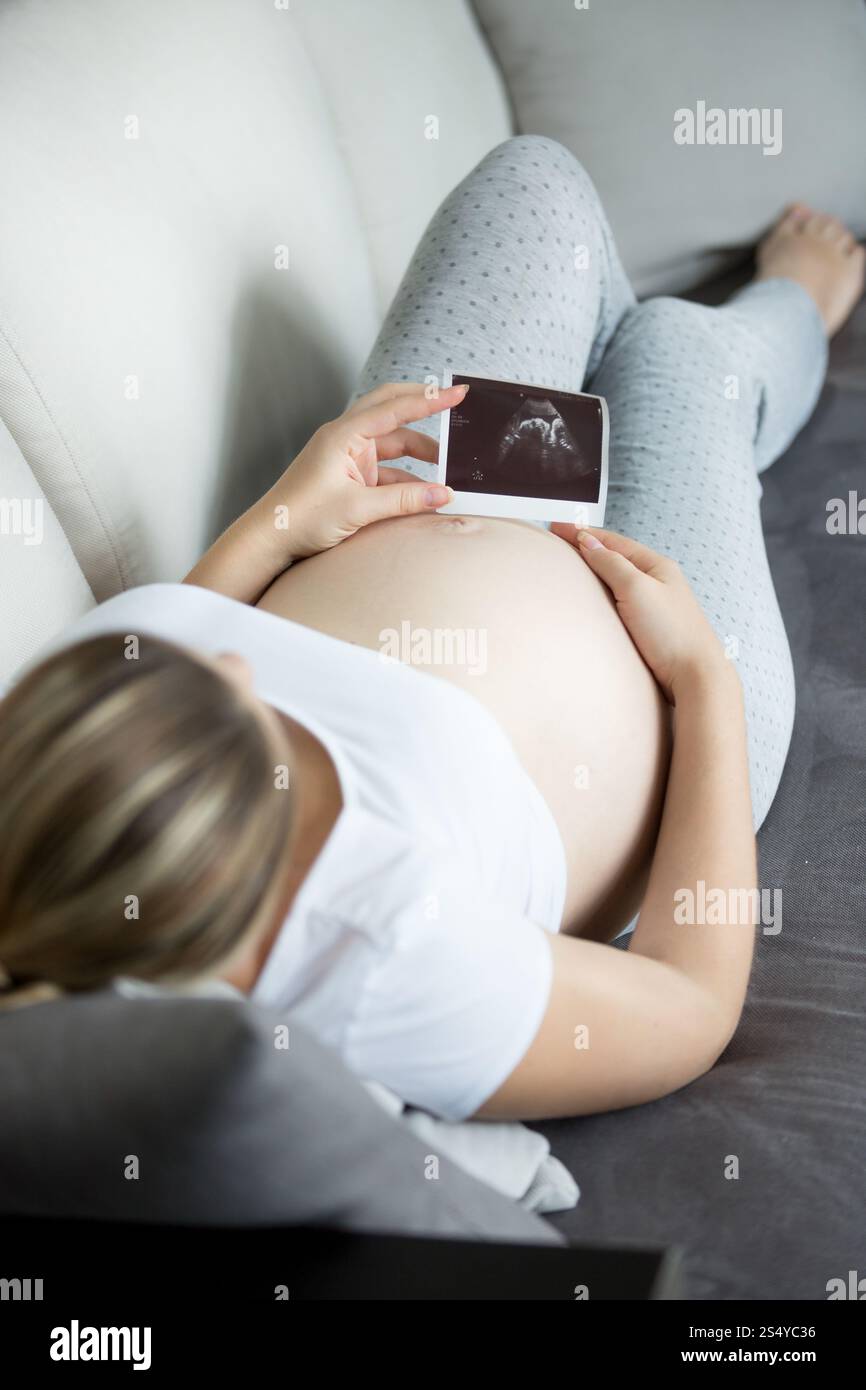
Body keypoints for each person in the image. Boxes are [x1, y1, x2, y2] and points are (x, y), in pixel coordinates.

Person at [0, 138, 862, 1123]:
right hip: (669, 693)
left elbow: (191, 639)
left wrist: (285, 515)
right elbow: (687, 1007)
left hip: (429, 494)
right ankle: (782, 322)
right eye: (254, 718)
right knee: (681, 351)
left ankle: (638, 396)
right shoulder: (382, 960)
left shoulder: (55, 775)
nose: (236, 662)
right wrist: (705, 680)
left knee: (534, 186)